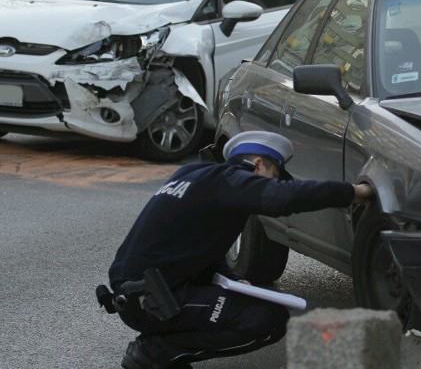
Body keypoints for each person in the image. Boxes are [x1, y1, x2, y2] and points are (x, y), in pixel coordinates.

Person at [104, 131, 375, 369]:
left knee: (250, 303)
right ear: (258, 165)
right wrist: (351, 192)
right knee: (268, 320)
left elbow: (197, 245)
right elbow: (287, 198)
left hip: (137, 294)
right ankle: (156, 352)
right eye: (273, 177)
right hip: (153, 301)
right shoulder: (233, 180)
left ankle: (166, 347)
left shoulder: (194, 175)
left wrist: (232, 280)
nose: (271, 184)